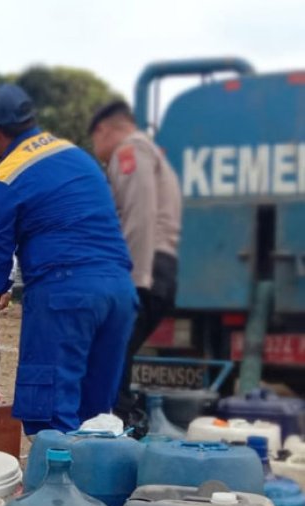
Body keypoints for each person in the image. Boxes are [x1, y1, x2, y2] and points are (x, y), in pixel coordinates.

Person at [0, 84, 138, 435]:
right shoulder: (77, 155)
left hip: (65, 295)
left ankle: (58, 490)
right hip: (120, 292)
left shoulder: (5, 178)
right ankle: (97, 487)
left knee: (52, 418)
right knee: (97, 418)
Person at [88, 100, 182, 425]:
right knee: (118, 357)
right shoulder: (149, 152)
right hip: (158, 267)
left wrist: (130, 280)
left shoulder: (130, 151)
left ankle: (116, 431)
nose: (98, 153)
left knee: (111, 358)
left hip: (145, 269)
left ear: (104, 129)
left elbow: (139, 216)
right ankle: (120, 425)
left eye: (95, 143)